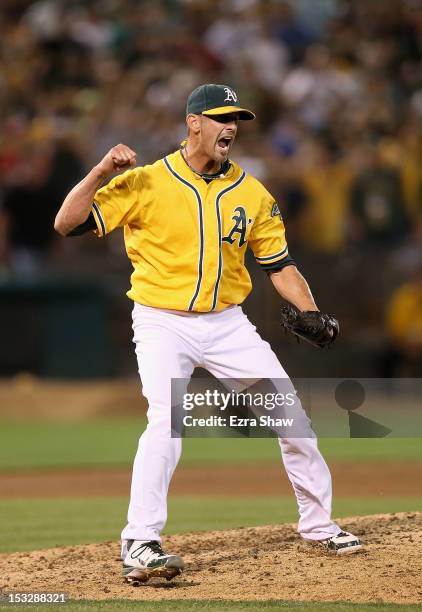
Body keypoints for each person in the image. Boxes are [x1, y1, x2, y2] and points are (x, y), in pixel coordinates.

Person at [54, 84, 361, 584]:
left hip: (226, 323)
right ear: (193, 122)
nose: (231, 127)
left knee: (292, 416)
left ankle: (320, 526)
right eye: (221, 118)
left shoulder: (251, 191)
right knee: (166, 422)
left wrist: (312, 310)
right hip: (161, 320)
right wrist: (103, 171)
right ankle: (140, 542)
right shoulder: (147, 181)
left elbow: (279, 265)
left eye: (236, 119)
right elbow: (67, 223)